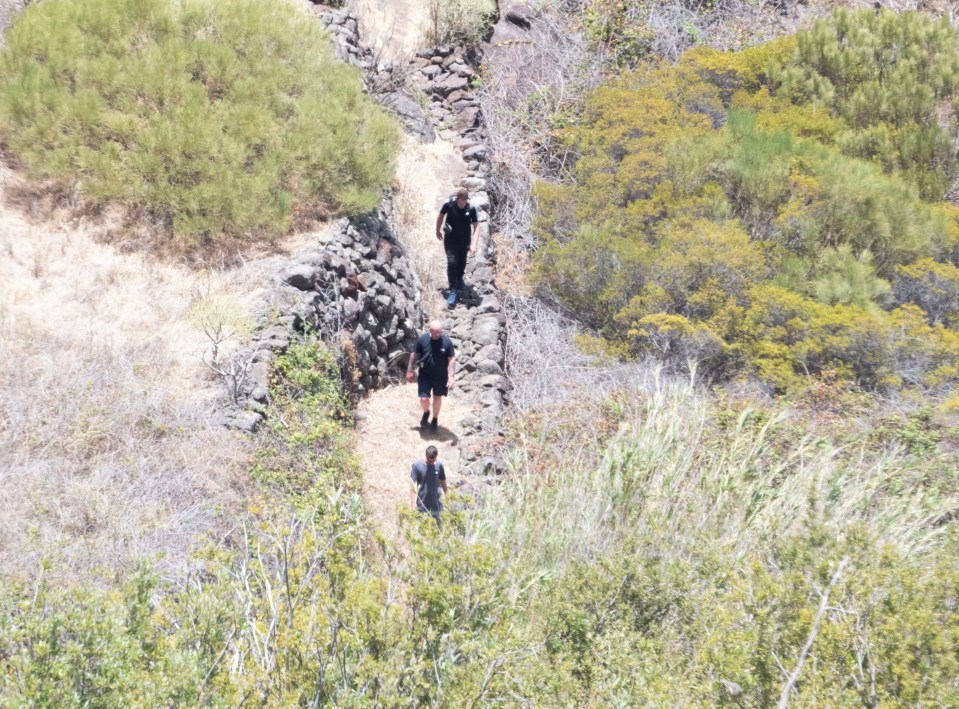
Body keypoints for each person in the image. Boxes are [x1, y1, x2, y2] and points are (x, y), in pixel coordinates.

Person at [406, 319, 456, 432]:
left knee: (437, 397)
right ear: (430, 331)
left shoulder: (447, 342)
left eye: (440, 331)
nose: (438, 334)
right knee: (424, 399)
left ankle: (434, 419)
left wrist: (451, 377)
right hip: (425, 375)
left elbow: (451, 359)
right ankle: (426, 412)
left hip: (441, 376)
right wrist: (409, 370)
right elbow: (414, 355)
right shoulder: (422, 339)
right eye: (435, 332)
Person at [436, 187, 479, 307]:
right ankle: (453, 289)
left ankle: (459, 279)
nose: (462, 205)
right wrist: (437, 230)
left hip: (464, 240)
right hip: (450, 239)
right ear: (457, 199)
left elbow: (476, 225)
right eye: (460, 202)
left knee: (461, 262)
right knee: (452, 262)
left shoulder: (471, 208)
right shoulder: (449, 204)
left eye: (464, 203)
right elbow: (440, 216)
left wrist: (474, 243)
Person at [410, 445, 448, 524]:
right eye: (429, 460)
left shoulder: (439, 465)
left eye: (433, 461)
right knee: (422, 531)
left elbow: (442, 480)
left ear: (436, 457)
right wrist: (413, 503)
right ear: (426, 455)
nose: (431, 463)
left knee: (437, 531)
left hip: (437, 505)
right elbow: (413, 485)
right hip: (422, 505)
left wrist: (447, 495)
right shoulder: (417, 466)